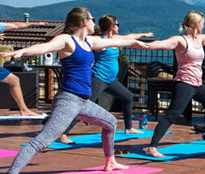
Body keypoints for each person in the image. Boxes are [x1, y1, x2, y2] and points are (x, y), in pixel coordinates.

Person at [0, 8, 147, 174]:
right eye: (92, 19)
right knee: (42, 141)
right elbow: (45, 47)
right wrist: (24, 51)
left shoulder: (89, 41)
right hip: (68, 101)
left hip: (83, 102)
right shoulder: (67, 40)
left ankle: (110, 162)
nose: (94, 23)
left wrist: (136, 42)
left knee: (110, 123)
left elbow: (116, 41)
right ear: (84, 21)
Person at [142, 11, 205, 158]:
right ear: (196, 24)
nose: (203, 26)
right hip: (184, 84)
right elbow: (163, 43)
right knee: (172, 115)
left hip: (197, 84)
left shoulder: (199, 39)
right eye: (202, 23)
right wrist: (146, 46)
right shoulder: (181, 41)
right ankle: (152, 147)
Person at [58, 14, 153, 143]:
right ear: (111, 27)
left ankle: (129, 128)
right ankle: (63, 133)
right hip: (98, 77)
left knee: (128, 97)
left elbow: (129, 37)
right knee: (83, 105)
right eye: (117, 24)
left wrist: (144, 34)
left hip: (110, 80)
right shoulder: (99, 40)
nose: (118, 27)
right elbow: (83, 44)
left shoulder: (114, 39)